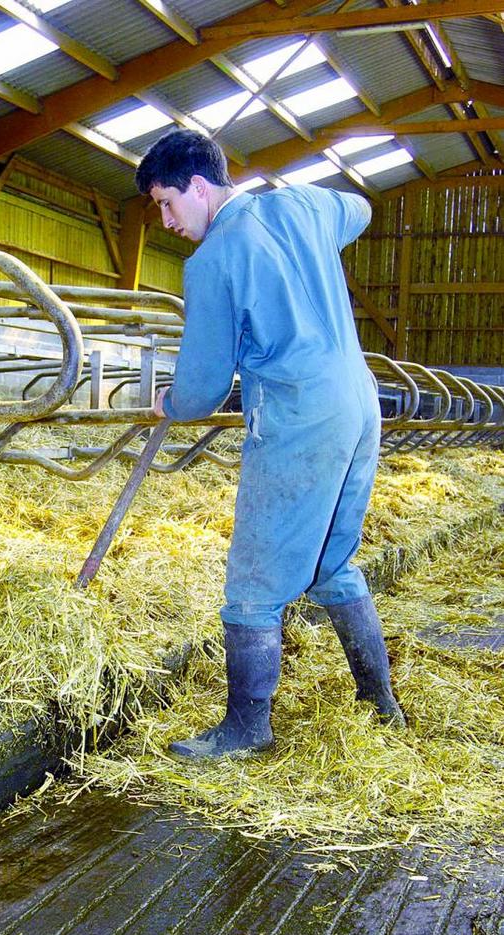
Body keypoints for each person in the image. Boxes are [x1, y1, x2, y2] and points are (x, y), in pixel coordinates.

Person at [135, 129, 404, 762]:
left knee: (254, 578)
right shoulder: (303, 206)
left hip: (297, 413)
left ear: (198, 187)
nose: (166, 219)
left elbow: (200, 388)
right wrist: (308, 233)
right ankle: (379, 701)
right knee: (332, 563)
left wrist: (169, 404)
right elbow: (360, 208)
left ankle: (246, 728)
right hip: (359, 400)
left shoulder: (213, 261)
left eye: (167, 202)